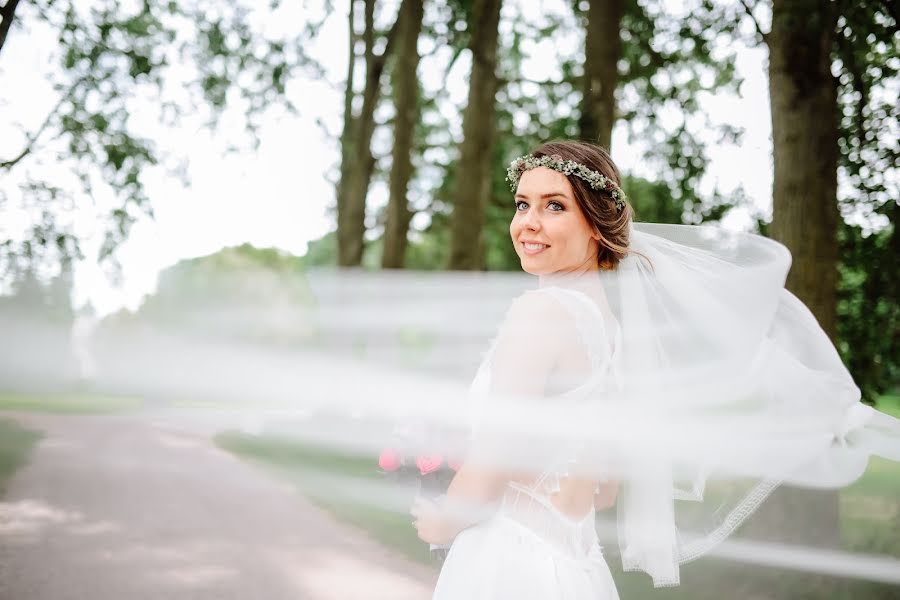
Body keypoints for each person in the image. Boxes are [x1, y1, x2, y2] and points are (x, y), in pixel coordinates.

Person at [409, 140, 900, 598]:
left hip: (508, 565)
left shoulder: (541, 314)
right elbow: (603, 491)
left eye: (554, 205)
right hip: (578, 571)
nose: (528, 222)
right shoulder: (613, 333)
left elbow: (494, 460)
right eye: (522, 204)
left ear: (596, 224)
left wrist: (443, 520)